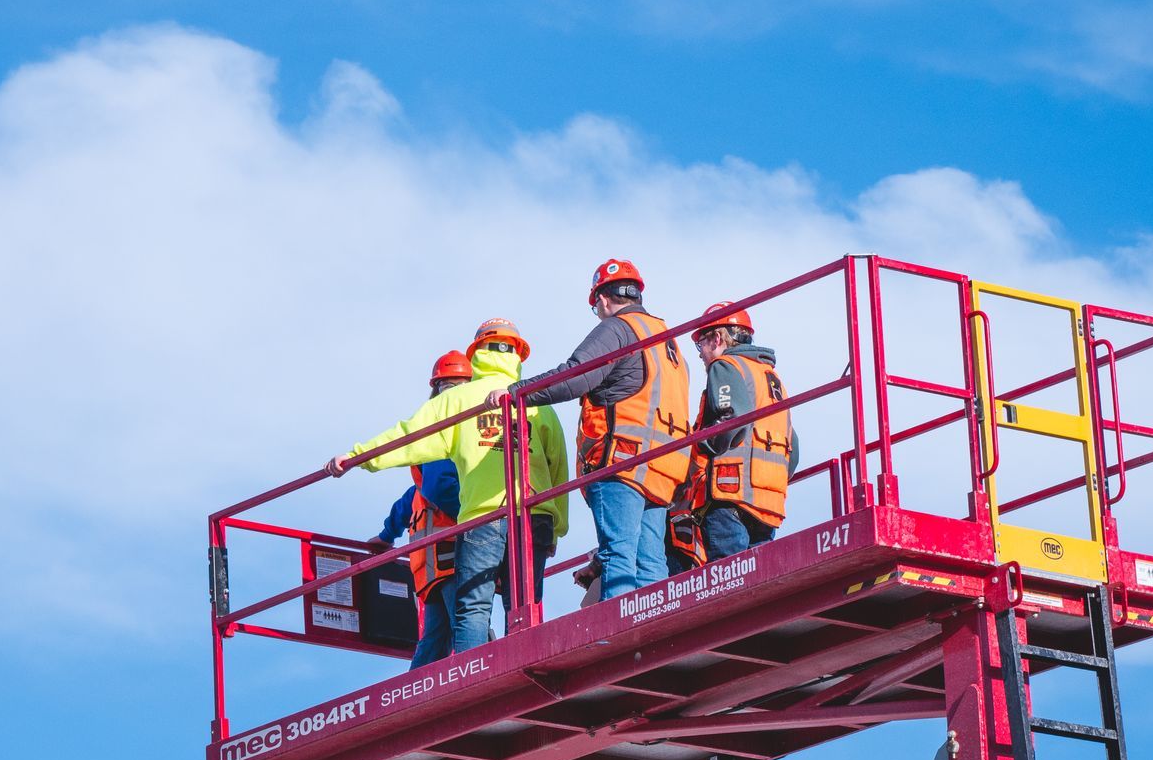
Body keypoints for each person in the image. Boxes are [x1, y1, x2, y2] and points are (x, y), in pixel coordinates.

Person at [330, 320, 568, 657]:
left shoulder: (457, 401)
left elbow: (407, 437)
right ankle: (527, 663)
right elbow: (559, 470)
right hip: (534, 514)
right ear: (518, 353)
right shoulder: (538, 401)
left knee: (472, 608)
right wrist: (558, 527)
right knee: (524, 603)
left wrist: (359, 457)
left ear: (477, 354)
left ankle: (475, 676)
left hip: (484, 516)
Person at [513, 258, 690, 601]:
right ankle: (652, 628)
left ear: (603, 300)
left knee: (618, 556)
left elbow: (575, 376)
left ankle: (623, 634)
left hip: (623, 462)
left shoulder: (618, 329)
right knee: (651, 562)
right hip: (664, 468)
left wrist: (518, 393)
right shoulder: (667, 340)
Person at [364, 351, 470, 668]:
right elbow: (443, 488)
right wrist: (478, 517)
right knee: (465, 622)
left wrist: (386, 536)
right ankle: (477, 667)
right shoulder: (444, 442)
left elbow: (404, 506)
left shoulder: (417, 488)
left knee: (437, 635)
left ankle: (417, 685)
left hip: (429, 570)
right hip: (452, 557)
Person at [687, 301, 800, 558]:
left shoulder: (725, 366)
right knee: (758, 587)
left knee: (730, 584)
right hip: (768, 503)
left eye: (700, 343)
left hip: (729, 496)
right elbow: (792, 450)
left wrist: (702, 444)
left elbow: (732, 418)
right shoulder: (772, 380)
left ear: (716, 338)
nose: (699, 353)